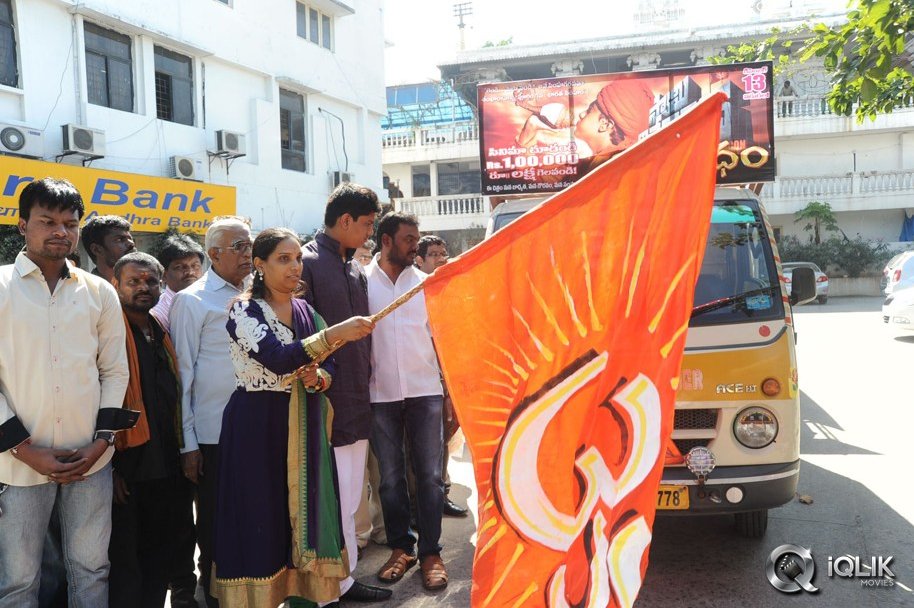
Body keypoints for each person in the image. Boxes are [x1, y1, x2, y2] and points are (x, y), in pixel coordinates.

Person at [212, 228, 375, 606]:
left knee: (300, 517)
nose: (294, 266)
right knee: (261, 517)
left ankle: (306, 596)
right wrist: (336, 332)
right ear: (259, 264)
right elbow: (277, 357)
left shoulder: (305, 310)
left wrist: (319, 376)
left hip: (302, 427)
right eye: (283, 259)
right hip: (257, 427)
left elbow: (328, 363)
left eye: (297, 258)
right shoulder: (244, 309)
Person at [0, 178, 131, 608]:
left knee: (92, 571)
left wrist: (100, 443)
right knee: (19, 580)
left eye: (70, 223)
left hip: (89, 462)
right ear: (22, 225)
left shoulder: (99, 292)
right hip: (17, 466)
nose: (61, 231)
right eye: (48, 221)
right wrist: (22, 449)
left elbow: (114, 371)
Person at [301, 183, 391, 605]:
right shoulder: (305, 263)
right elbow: (301, 337)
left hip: (357, 400)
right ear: (345, 221)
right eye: (368, 225)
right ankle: (323, 591)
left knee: (351, 496)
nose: (370, 234)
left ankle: (346, 580)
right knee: (328, 499)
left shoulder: (353, 266)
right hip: (324, 406)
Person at [170, 216, 252, 607]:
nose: (248, 253)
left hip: (258, 428)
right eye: (239, 246)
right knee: (216, 522)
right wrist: (188, 445)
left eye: (249, 245)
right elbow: (183, 377)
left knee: (254, 515)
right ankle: (216, 595)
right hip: (212, 434)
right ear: (214, 253)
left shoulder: (259, 295)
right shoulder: (193, 300)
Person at [367, 213, 448, 591]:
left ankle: (431, 552)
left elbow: (443, 342)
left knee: (431, 477)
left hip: (426, 392)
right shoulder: (361, 284)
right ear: (386, 240)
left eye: (416, 238)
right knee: (391, 480)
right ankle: (403, 548)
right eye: (408, 238)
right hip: (379, 393)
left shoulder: (429, 285)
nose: (415, 244)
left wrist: (449, 394)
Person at [108, 252, 186, 608]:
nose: (143, 287)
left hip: (165, 465)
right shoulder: (107, 331)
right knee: (126, 560)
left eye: (151, 281)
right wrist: (111, 469)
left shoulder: (159, 329)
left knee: (160, 553)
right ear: (115, 284)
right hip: (128, 467)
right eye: (134, 281)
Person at [413, 236, 468, 519]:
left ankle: (441, 495)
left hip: (450, 377)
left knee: (444, 439)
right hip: (423, 381)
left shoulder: (448, 287)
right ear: (419, 260)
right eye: (433, 254)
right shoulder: (414, 291)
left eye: (444, 253)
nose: (441, 259)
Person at [514, 79, 654, 161]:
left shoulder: (595, 170)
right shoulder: (604, 161)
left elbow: (526, 175)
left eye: (588, 111)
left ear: (605, 124)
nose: (581, 114)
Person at [151, 234, 205, 333]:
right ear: (164, 275)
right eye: (180, 267)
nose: (190, 272)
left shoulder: (208, 301)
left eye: (195, 266)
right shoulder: (158, 313)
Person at [81, 215, 136, 281]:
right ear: (97, 250)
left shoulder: (144, 287)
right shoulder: (86, 289)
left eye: (130, 239)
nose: (131, 243)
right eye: (119, 239)